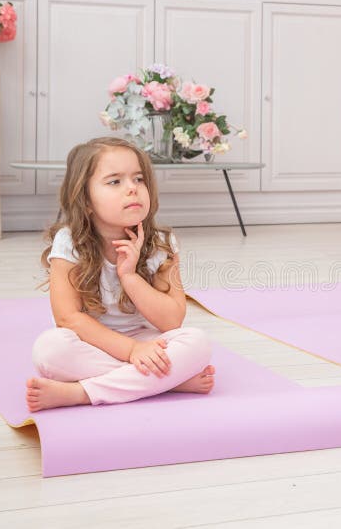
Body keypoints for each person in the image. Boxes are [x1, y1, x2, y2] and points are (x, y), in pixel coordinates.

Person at [26, 137, 214, 411]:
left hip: (148, 342)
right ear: (86, 200)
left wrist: (130, 277)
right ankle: (168, 382)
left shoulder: (162, 242)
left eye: (139, 179)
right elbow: (68, 318)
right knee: (49, 350)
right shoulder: (69, 242)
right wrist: (131, 352)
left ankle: (80, 393)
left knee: (198, 343)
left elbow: (172, 321)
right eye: (115, 182)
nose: (132, 189)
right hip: (92, 342)